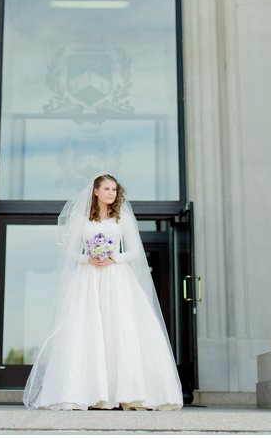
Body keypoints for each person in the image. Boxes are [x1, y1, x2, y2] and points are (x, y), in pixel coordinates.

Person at [23, 173, 183, 411]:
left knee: (119, 328)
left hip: (117, 278)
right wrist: (88, 259)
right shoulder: (82, 220)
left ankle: (128, 393)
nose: (111, 193)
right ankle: (86, 392)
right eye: (107, 189)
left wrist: (113, 258)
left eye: (114, 190)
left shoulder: (122, 219)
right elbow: (69, 252)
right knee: (85, 330)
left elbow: (134, 252)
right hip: (87, 279)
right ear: (95, 191)